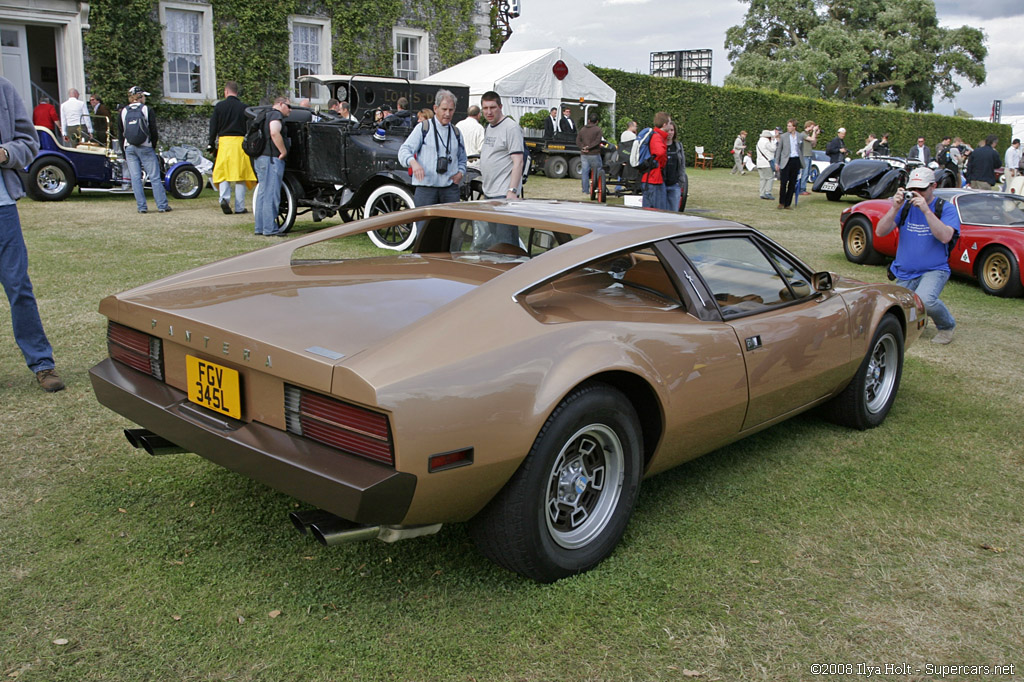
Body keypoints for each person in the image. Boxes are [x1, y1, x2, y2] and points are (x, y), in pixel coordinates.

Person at [0, 77, 65, 392]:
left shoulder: (4, 89)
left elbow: (28, 143)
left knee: (18, 287)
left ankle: (43, 364)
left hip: (2, 210)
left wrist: (3, 154)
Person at [875, 167, 958, 345]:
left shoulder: (946, 208)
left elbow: (945, 236)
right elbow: (880, 231)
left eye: (921, 189)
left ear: (933, 186)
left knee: (925, 300)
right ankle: (920, 321)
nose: (916, 193)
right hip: (905, 270)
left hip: (935, 268)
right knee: (900, 306)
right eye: (913, 189)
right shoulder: (904, 207)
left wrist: (927, 211)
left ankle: (946, 326)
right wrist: (894, 208)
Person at [398, 89, 466, 210]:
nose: (447, 114)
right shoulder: (423, 128)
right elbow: (404, 150)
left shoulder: (456, 132)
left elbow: (462, 158)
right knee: (424, 227)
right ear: (435, 108)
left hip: (450, 190)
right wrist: (413, 163)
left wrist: (461, 172)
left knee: (450, 227)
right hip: (426, 189)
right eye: (444, 109)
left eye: (451, 110)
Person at [477, 91, 525, 248]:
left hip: (503, 196)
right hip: (490, 194)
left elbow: (518, 161)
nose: (489, 112)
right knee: (495, 243)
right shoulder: (489, 127)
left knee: (507, 246)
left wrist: (512, 191)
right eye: (485, 108)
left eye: (492, 107)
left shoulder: (511, 128)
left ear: (500, 107)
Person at [120, 86, 170, 214]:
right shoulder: (147, 110)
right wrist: (152, 145)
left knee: (135, 178)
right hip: (145, 146)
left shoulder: (124, 111)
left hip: (129, 147)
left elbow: (121, 133)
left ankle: (141, 207)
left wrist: (123, 150)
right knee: (154, 177)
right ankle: (162, 205)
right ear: (140, 96)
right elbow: (153, 131)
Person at [208, 81, 256, 215]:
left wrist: (211, 143)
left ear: (226, 92)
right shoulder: (244, 108)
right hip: (239, 143)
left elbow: (213, 127)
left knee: (224, 173)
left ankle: (224, 199)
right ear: (237, 92)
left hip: (224, 143)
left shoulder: (219, 107)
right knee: (240, 175)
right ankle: (240, 207)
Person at [253, 97, 290, 235]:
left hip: (261, 158)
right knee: (271, 193)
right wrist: (283, 151)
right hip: (272, 159)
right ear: (280, 104)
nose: (290, 109)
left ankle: (260, 227)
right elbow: (274, 132)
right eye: (288, 106)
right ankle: (270, 228)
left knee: (262, 193)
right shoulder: (276, 115)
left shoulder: (264, 114)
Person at [641, 111, 670, 210]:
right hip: (654, 178)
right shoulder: (657, 136)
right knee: (658, 211)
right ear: (664, 124)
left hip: (650, 177)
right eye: (669, 123)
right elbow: (660, 153)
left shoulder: (655, 135)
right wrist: (662, 164)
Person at [774, 118, 805, 209]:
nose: (788, 127)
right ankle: (781, 202)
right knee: (783, 183)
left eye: (790, 126)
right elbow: (779, 150)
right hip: (786, 161)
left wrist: (801, 161)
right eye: (787, 126)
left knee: (792, 183)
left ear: (794, 127)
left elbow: (801, 149)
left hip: (795, 161)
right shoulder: (783, 136)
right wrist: (777, 162)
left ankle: (788, 204)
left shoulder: (800, 136)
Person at [576, 111, 604, 196]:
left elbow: (578, 140)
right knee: (598, 170)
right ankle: (597, 187)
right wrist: (589, 147)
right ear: (597, 121)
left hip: (584, 154)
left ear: (589, 120)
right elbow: (597, 141)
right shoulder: (598, 130)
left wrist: (582, 147)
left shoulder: (583, 129)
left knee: (585, 172)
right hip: (594, 153)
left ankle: (585, 189)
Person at [663, 120, 686, 212]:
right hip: (661, 185)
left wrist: (681, 181)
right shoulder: (659, 145)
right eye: (667, 130)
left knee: (673, 212)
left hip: (674, 184)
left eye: (672, 130)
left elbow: (682, 164)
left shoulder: (678, 146)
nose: (670, 133)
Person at [455, 104, 484, 168]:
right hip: (474, 164)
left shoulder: (458, 125)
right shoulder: (479, 128)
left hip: (459, 163)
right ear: (479, 114)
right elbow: (481, 148)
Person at [797, 120, 819, 195]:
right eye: (812, 127)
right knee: (804, 172)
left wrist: (816, 134)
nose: (813, 128)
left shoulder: (809, 135)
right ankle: (801, 189)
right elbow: (811, 139)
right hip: (804, 156)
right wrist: (814, 132)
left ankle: (803, 188)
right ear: (808, 126)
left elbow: (813, 144)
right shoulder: (803, 134)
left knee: (807, 172)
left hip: (809, 156)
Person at [755, 129, 776, 200]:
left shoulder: (759, 142)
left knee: (762, 178)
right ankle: (768, 192)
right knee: (770, 177)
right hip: (766, 163)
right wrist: (773, 141)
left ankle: (762, 193)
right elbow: (773, 149)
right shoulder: (766, 142)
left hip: (759, 163)